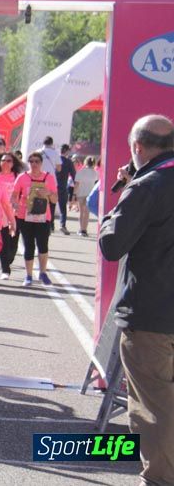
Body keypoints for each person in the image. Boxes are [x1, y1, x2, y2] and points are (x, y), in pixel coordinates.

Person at [98, 114, 174, 486]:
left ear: (138, 148)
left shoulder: (147, 185)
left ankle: (159, 479)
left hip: (152, 314)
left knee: (153, 405)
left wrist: (120, 201)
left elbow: (112, 245)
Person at [12, 152, 57, 287]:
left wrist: (48, 193)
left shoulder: (49, 178)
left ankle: (43, 273)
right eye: (31, 161)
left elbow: (55, 199)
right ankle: (29, 275)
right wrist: (15, 204)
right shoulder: (22, 178)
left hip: (43, 217)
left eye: (37, 161)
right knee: (29, 246)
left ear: (41, 163)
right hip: (25, 217)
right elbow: (13, 195)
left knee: (43, 245)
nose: (34, 164)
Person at [0, 152, 24, 280]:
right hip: (0, 214)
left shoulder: (18, 177)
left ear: (13, 163)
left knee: (13, 244)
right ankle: (5, 269)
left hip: (15, 213)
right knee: (4, 242)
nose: (6, 163)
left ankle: (8, 260)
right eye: (3, 160)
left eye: (9, 161)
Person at [73, 156, 98, 236]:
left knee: (81, 212)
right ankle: (84, 230)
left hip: (81, 193)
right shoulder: (95, 173)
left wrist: (74, 194)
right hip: (90, 194)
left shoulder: (80, 171)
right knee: (87, 213)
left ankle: (80, 229)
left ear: (85, 162)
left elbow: (77, 184)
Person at [55, 144, 76, 234]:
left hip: (53, 186)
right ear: (67, 151)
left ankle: (50, 225)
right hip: (63, 186)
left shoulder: (55, 160)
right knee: (63, 208)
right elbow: (74, 175)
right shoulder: (68, 162)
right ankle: (62, 225)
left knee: (51, 206)